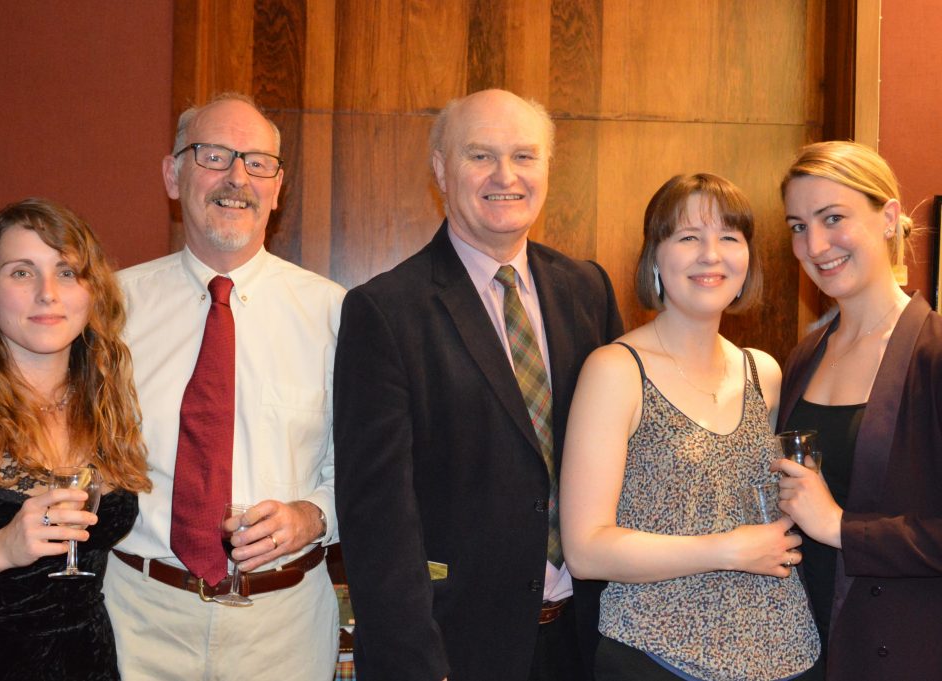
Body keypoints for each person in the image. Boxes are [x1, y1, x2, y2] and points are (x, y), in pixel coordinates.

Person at [334, 88, 624, 681]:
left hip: (587, 642)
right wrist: (414, 664)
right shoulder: (385, 311)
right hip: (457, 648)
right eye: (479, 156)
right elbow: (377, 517)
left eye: (524, 156)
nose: (505, 176)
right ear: (440, 167)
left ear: (547, 168)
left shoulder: (588, 291)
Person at [102, 93, 345, 681]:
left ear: (277, 187)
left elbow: (372, 469)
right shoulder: (107, 309)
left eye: (258, 162)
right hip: (137, 616)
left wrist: (314, 516)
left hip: (283, 626)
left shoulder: (338, 315)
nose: (237, 177)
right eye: (213, 156)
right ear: (173, 173)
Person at [561, 173, 820, 681]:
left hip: (792, 656)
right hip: (659, 658)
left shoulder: (762, 371)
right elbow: (586, 548)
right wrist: (727, 549)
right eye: (687, 237)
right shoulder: (615, 370)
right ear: (655, 258)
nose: (711, 255)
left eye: (729, 237)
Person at [0, 198, 151, 680]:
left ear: (92, 291)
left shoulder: (105, 403)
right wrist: (1, 547)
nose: (48, 294)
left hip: (87, 663)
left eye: (67, 272)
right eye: (22, 273)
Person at [774, 141, 942, 680]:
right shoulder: (804, 356)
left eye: (833, 218)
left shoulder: (934, 354)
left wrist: (840, 527)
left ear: (889, 218)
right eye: (798, 226)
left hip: (899, 653)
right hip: (804, 648)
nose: (815, 244)